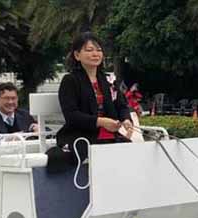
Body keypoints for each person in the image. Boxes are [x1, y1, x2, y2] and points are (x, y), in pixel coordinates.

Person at [47, 32, 133, 173]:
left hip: (110, 134)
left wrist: (126, 119)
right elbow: (71, 115)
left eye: (99, 50)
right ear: (77, 55)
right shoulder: (70, 80)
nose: (95, 54)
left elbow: (121, 105)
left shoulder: (108, 80)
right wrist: (100, 121)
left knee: (131, 152)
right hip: (81, 135)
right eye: (89, 50)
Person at [0, 82, 39, 150]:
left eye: (13, 98)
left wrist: (38, 130)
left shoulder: (26, 116)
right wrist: (12, 138)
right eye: (6, 98)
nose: (10, 102)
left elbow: (47, 134)